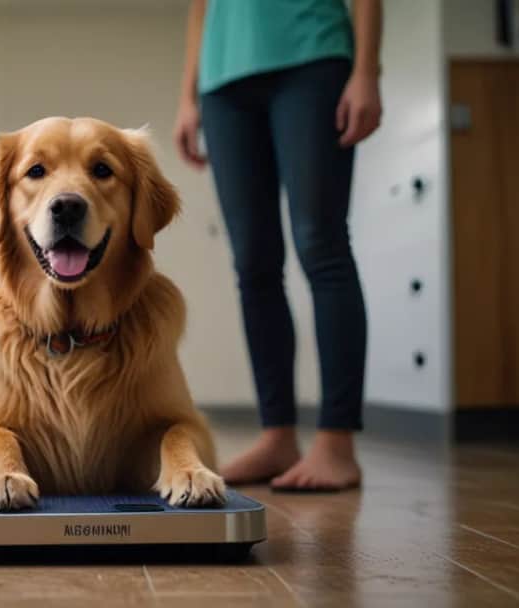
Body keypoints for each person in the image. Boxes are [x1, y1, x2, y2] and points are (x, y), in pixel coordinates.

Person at [174, 0, 382, 491]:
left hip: (312, 56)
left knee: (321, 246)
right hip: (222, 81)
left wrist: (366, 70)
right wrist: (188, 96)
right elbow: (201, 6)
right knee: (253, 264)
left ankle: (336, 442)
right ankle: (278, 435)